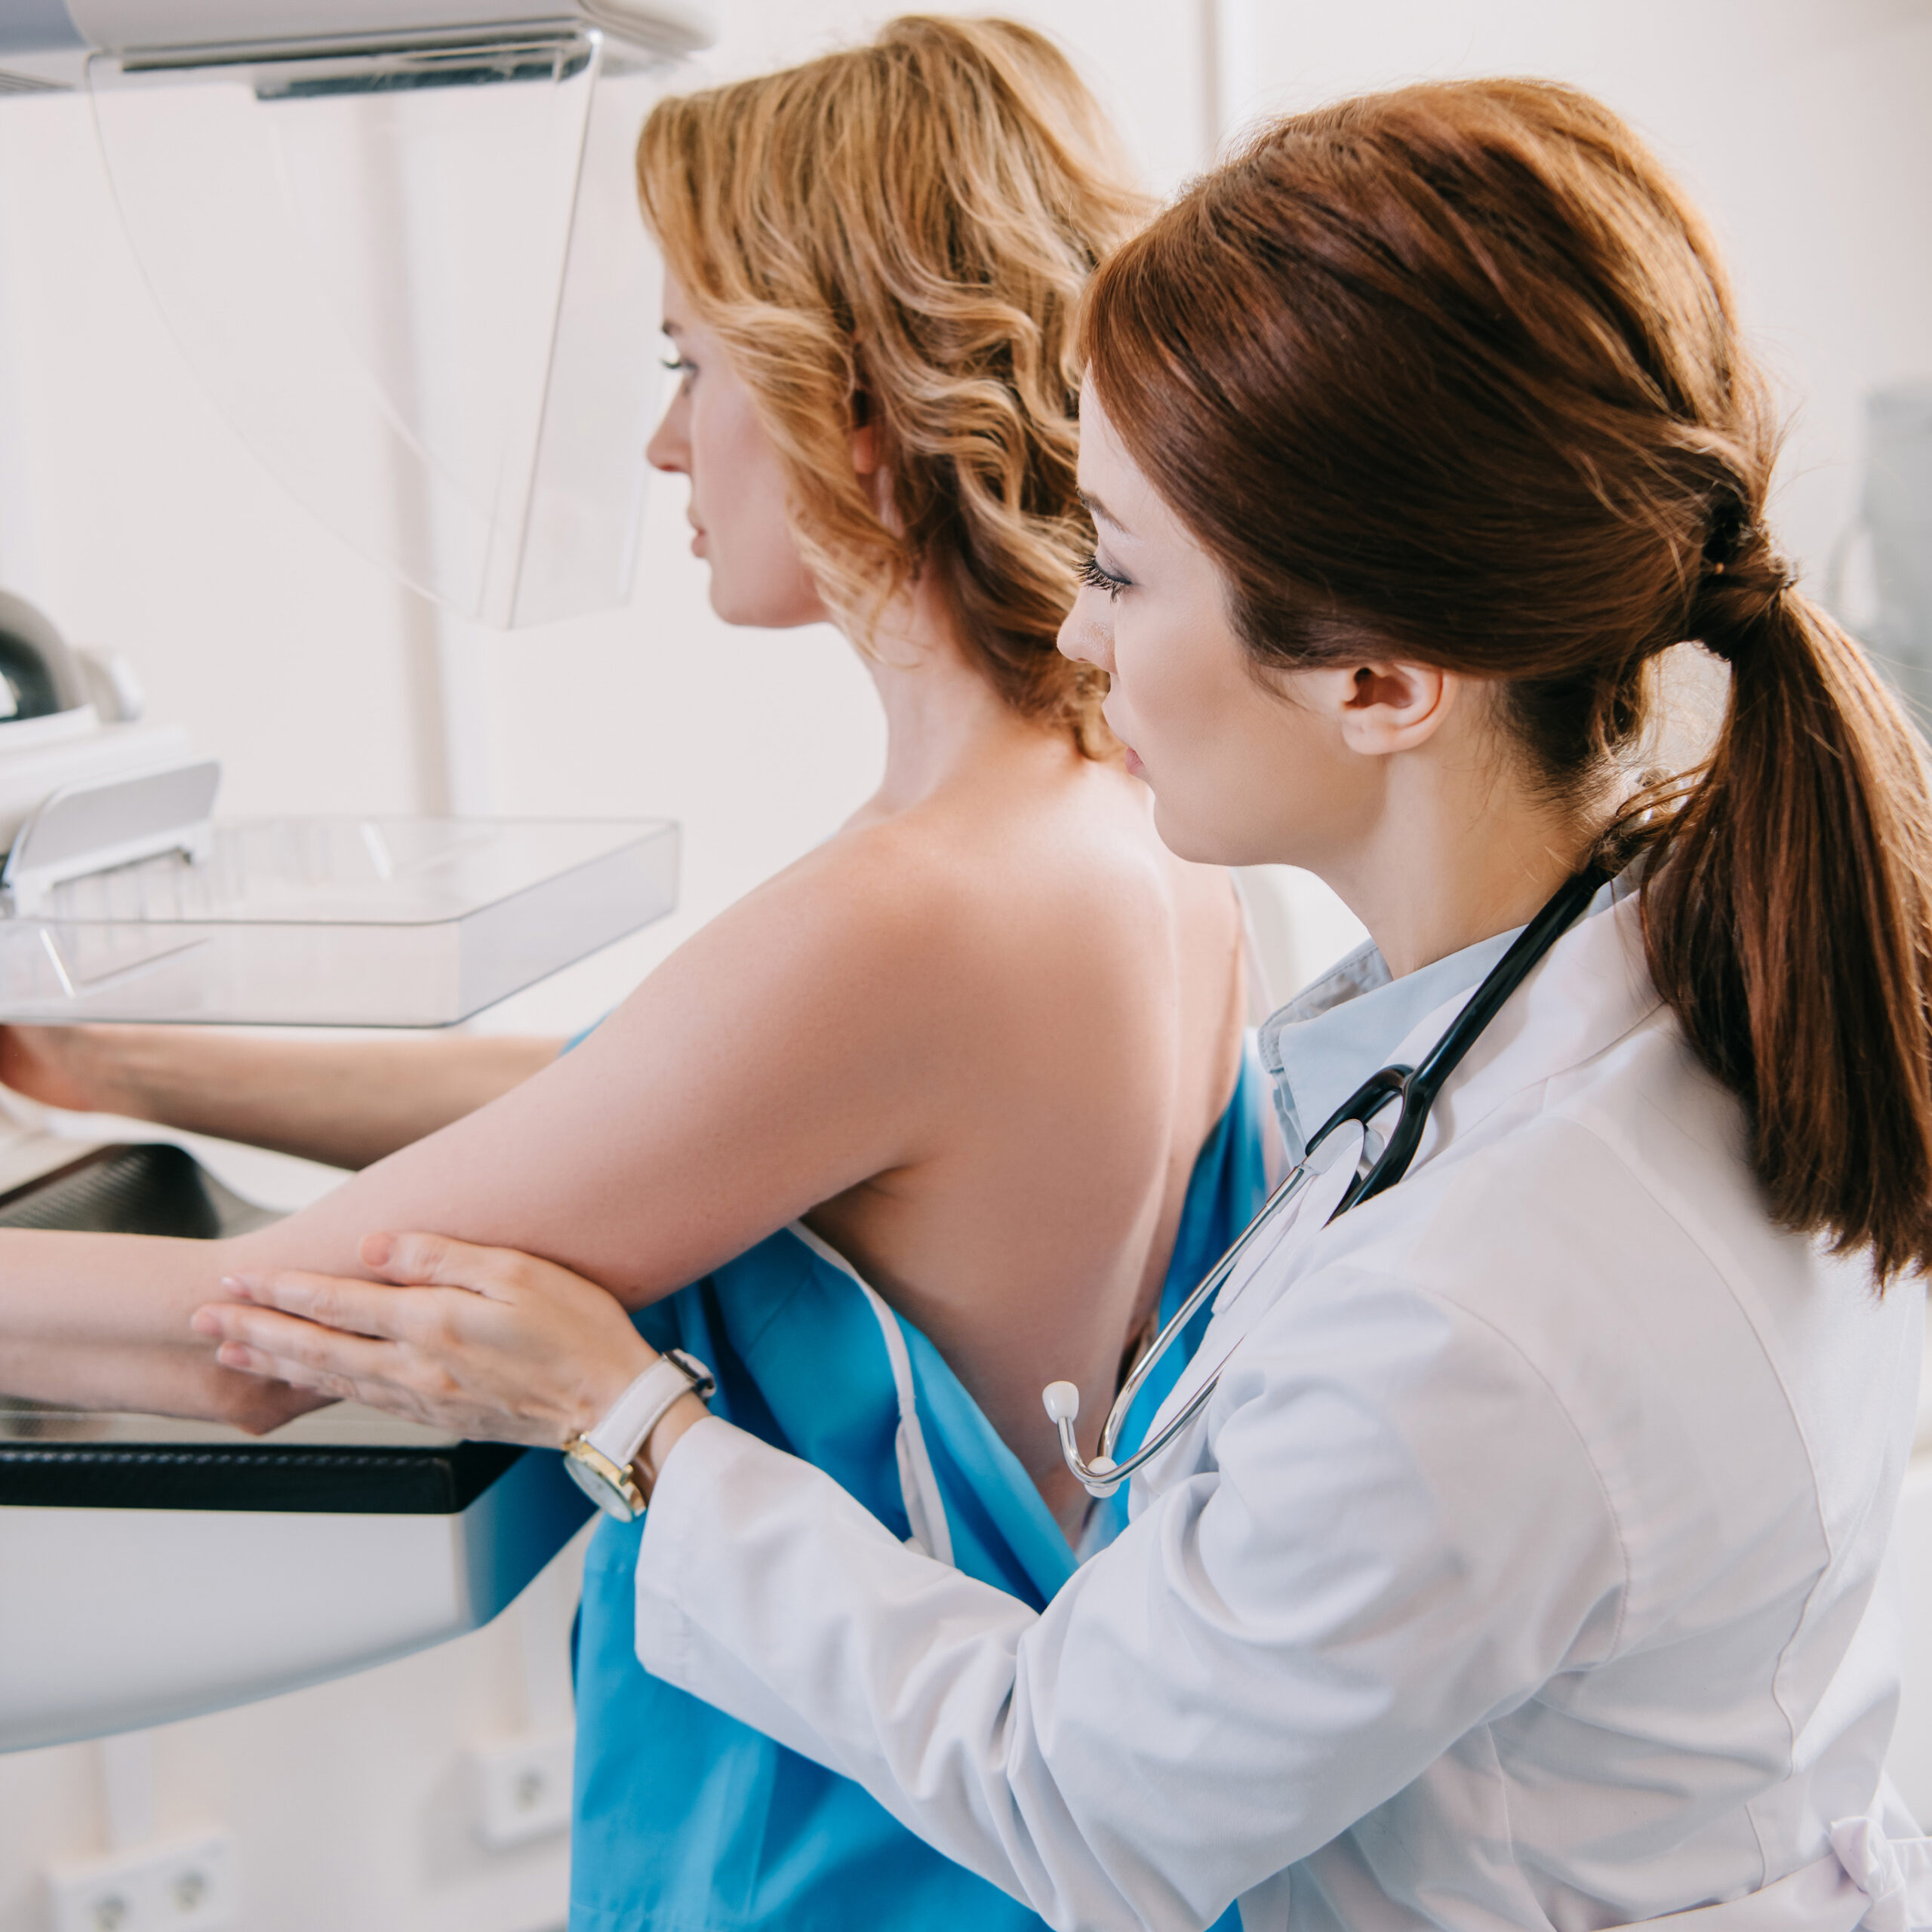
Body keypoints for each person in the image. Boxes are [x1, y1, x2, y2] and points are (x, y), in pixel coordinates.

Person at [202, 75, 1932, 1931]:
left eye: (1119, 563)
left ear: (1375, 679)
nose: (1082, 630)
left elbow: (1074, 1791)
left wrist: (637, 1426)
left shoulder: (1491, 1303)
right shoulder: (1658, 996)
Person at [0, 20, 1266, 1930]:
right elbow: (632, 1101)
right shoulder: (1098, 815)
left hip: (846, 1860)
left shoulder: (914, 912)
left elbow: (249, 1343)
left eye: (689, 366)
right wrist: (114, 1066)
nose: (667, 439)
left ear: (845, 401)